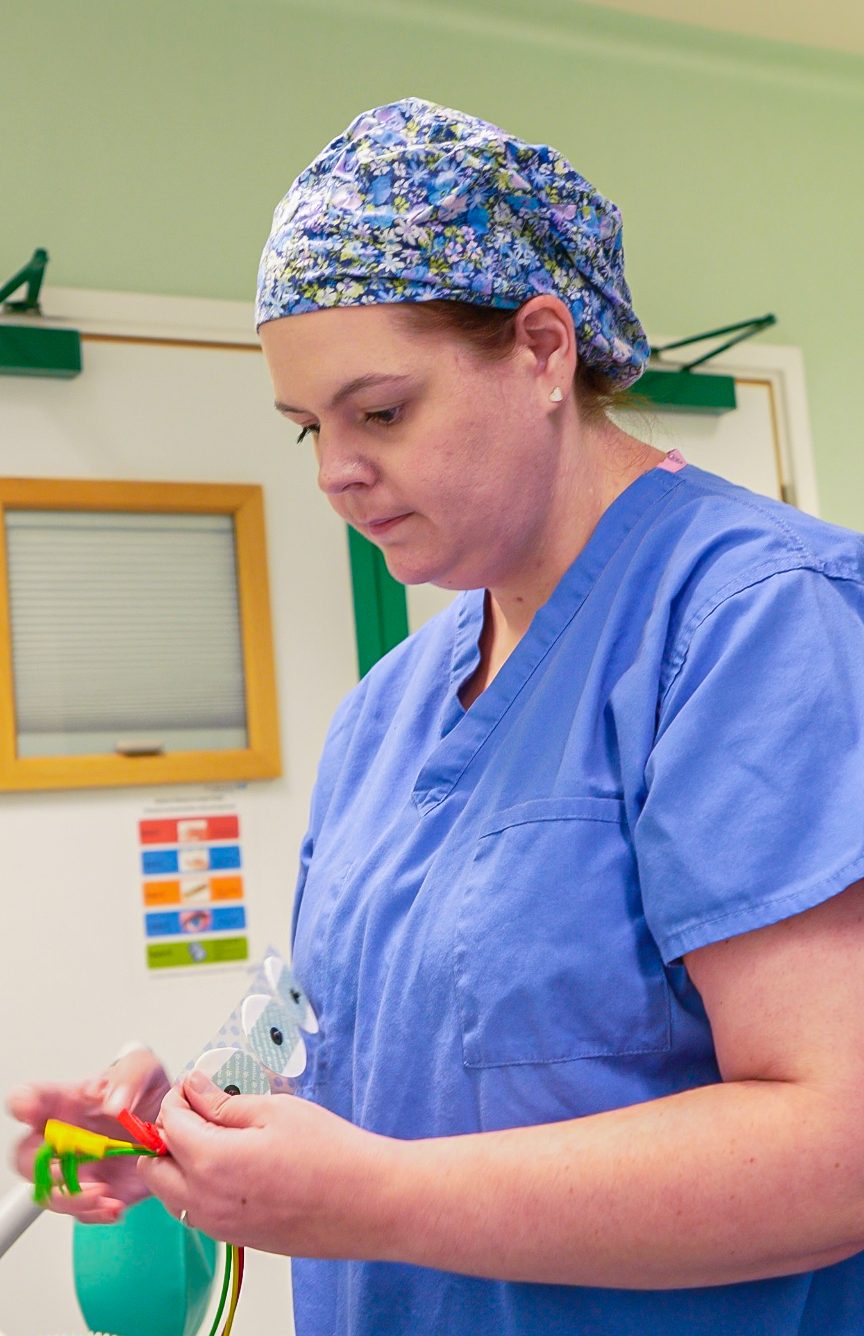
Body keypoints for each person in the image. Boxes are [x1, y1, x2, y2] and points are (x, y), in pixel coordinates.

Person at [9, 96, 864, 1335]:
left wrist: (380, 1202)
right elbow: (366, 1044)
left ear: (543, 349)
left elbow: (839, 1138)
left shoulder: (751, 624)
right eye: (309, 428)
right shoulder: (387, 714)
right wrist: (186, 1122)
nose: (332, 472)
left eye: (382, 412)